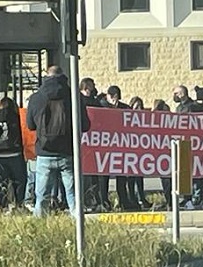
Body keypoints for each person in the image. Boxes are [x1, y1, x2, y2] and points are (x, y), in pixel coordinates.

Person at [27, 65, 91, 217]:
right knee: (73, 195)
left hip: (44, 151)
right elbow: (86, 126)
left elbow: (30, 125)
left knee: (41, 196)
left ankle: (39, 227)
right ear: (63, 76)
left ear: (46, 76)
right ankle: (77, 225)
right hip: (68, 151)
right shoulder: (74, 96)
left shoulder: (36, 98)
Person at [0, 97, 27, 211]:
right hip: (14, 153)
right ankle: (19, 204)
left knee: (0, 181)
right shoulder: (16, 117)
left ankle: (2, 205)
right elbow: (22, 133)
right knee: (18, 180)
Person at [100, 85, 136, 210]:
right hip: (104, 148)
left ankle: (123, 200)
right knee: (103, 177)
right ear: (108, 96)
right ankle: (104, 201)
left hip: (120, 147)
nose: (115, 100)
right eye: (113, 97)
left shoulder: (124, 108)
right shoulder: (101, 106)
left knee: (122, 177)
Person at [78, 78, 103, 212]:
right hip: (83, 142)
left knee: (93, 175)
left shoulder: (95, 101)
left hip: (94, 142)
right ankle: (85, 199)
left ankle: (94, 199)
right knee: (84, 175)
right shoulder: (78, 100)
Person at [127, 96, 150, 209]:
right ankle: (132, 199)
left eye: (140, 107)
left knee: (140, 177)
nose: (138, 109)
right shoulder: (127, 120)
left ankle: (141, 197)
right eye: (136, 107)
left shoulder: (144, 119)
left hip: (140, 153)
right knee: (131, 178)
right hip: (130, 153)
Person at [154, 99, 175, 210]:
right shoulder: (154, 121)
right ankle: (169, 202)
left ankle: (171, 202)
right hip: (161, 155)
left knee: (170, 180)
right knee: (166, 180)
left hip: (170, 154)